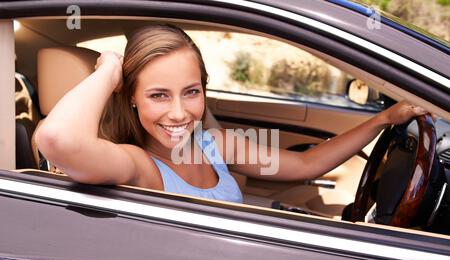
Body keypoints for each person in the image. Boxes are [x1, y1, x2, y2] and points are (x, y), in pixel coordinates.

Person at [35, 24, 427, 204]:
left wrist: (381, 120)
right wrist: (108, 71)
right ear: (131, 98)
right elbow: (58, 140)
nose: (178, 113)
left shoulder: (211, 142)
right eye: (158, 95)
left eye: (191, 92)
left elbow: (306, 164)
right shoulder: (138, 165)